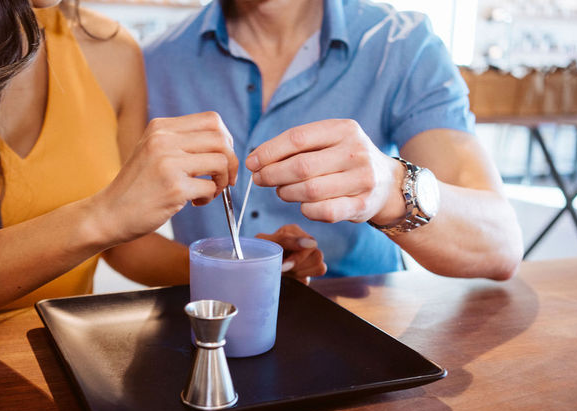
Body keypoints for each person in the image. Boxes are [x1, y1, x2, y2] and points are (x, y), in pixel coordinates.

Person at [0, 0, 324, 327]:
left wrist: (236, 268)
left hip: (62, 357)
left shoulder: (113, 50)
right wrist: (99, 216)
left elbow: (124, 246)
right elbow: (107, 223)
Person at [143, 0, 523, 280]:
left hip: (370, 333)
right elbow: (124, 240)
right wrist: (231, 273)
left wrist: (390, 188)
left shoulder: (401, 45)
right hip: (207, 337)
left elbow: (499, 244)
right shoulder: (154, 62)